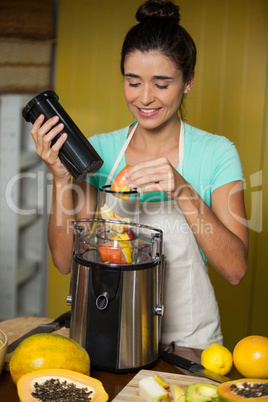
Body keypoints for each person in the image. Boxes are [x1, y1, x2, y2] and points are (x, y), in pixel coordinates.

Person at [31, 0, 248, 348]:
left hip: (190, 345)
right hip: (110, 336)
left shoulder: (217, 153)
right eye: (133, 82)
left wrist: (182, 189)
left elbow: (235, 270)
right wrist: (61, 179)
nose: (144, 98)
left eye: (161, 84)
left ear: (188, 81)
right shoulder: (98, 153)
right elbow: (63, 262)